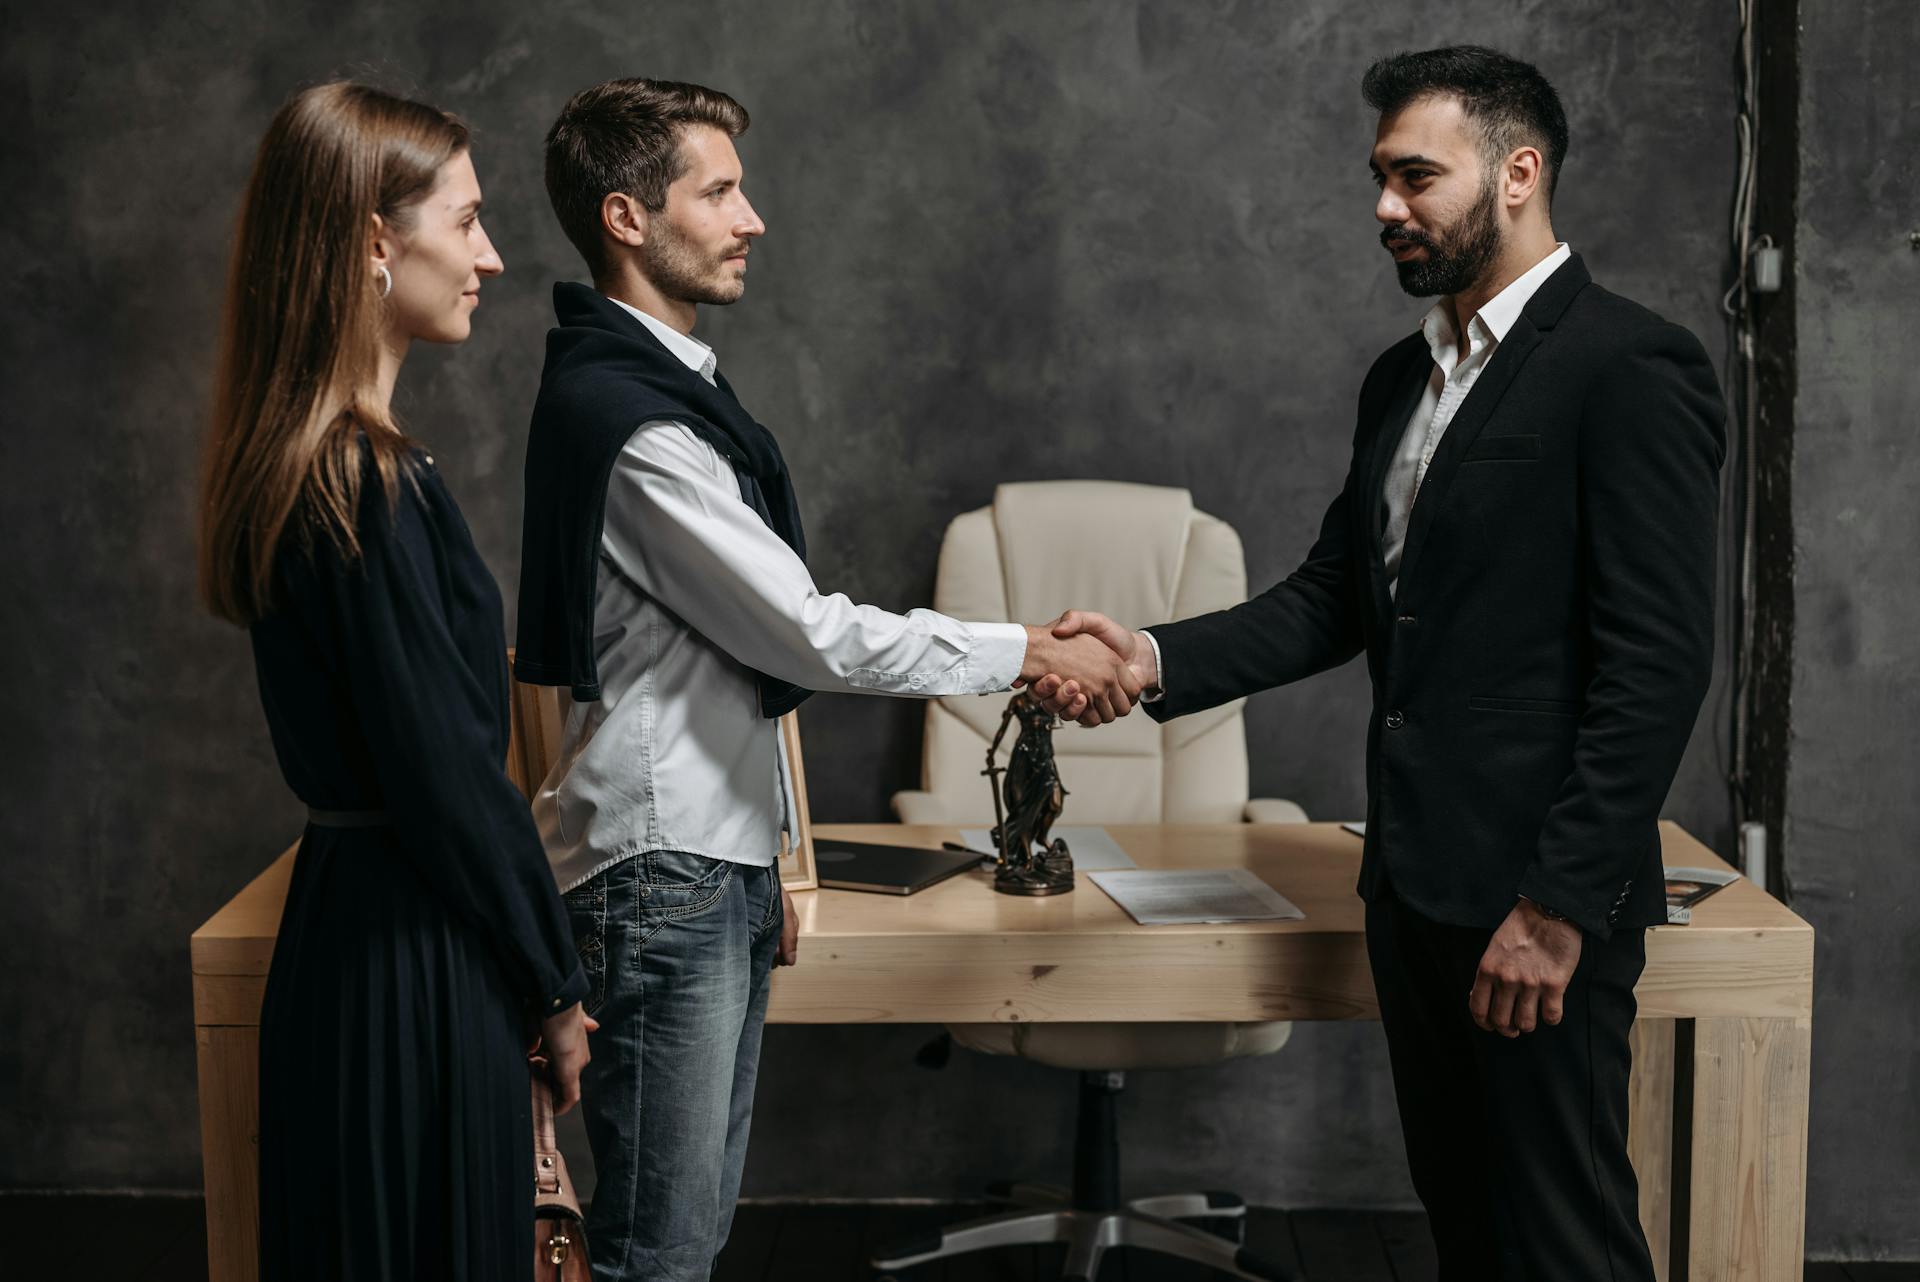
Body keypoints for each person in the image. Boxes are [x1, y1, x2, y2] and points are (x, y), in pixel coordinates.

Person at [1034, 46, 1725, 1282]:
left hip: (1533, 902)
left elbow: (1658, 665)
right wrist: (1144, 656)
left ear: (1517, 175)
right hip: (1413, 891)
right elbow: (1332, 601)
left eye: (1416, 177)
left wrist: (1558, 908)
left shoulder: (1630, 366)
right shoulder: (1401, 378)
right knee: (1467, 1228)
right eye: (1378, 177)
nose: (1384, 207)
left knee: (1565, 1244)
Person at [513, 77, 1139, 1280]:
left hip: (703, 859)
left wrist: (767, 854)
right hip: (663, 869)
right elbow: (803, 636)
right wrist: (1026, 649)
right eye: (721, 190)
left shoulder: (662, 392)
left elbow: (715, 665)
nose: (752, 219)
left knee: (685, 1236)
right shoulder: (635, 425)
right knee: (659, 1251)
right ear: (626, 219)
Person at [196, 81, 593, 1281]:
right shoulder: (368, 479)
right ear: (377, 241)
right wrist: (556, 983)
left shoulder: (296, 462)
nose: (494, 255)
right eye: (466, 222)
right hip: (416, 963)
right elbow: (452, 784)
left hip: (348, 938)